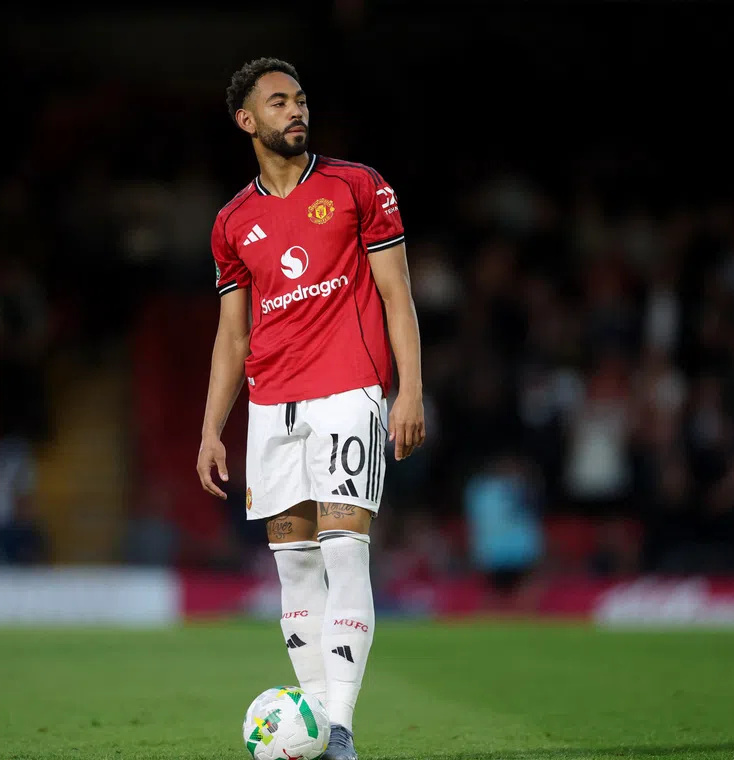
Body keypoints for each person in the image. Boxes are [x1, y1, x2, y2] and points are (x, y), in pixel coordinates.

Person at [196, 58, 425, 760]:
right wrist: (211, 427)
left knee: (344, 552)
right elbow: (234, 334)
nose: (296, 111)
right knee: (293, 568)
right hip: (271, 407)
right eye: (278, 102)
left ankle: (340, 729)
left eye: (300, 100)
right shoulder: (232, 222)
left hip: (349, 391)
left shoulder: (359, 186)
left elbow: (396, 294)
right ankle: (319, 728)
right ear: (247, 120)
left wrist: (409, 388)